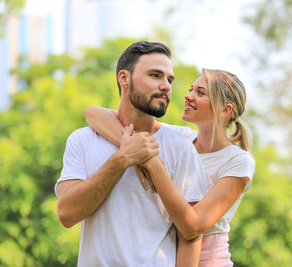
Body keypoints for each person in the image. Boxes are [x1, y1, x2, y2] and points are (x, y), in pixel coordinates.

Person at [55, 41, 206, 267]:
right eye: (155, 75)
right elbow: (67, 214)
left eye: (169, 79)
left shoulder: (181, 146)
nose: (166, 86)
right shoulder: (82, 140)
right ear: (124, 78)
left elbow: (191, 235)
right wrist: (123, 158)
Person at [85, 68, 256, 266]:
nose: (188, 96)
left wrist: (150, 161)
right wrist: (131, 149)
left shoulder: (238, 161)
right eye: (191, 90)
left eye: (200, 93)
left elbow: (192, 226)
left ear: (225, 110)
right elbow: (93, 114)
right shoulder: (181, 139)